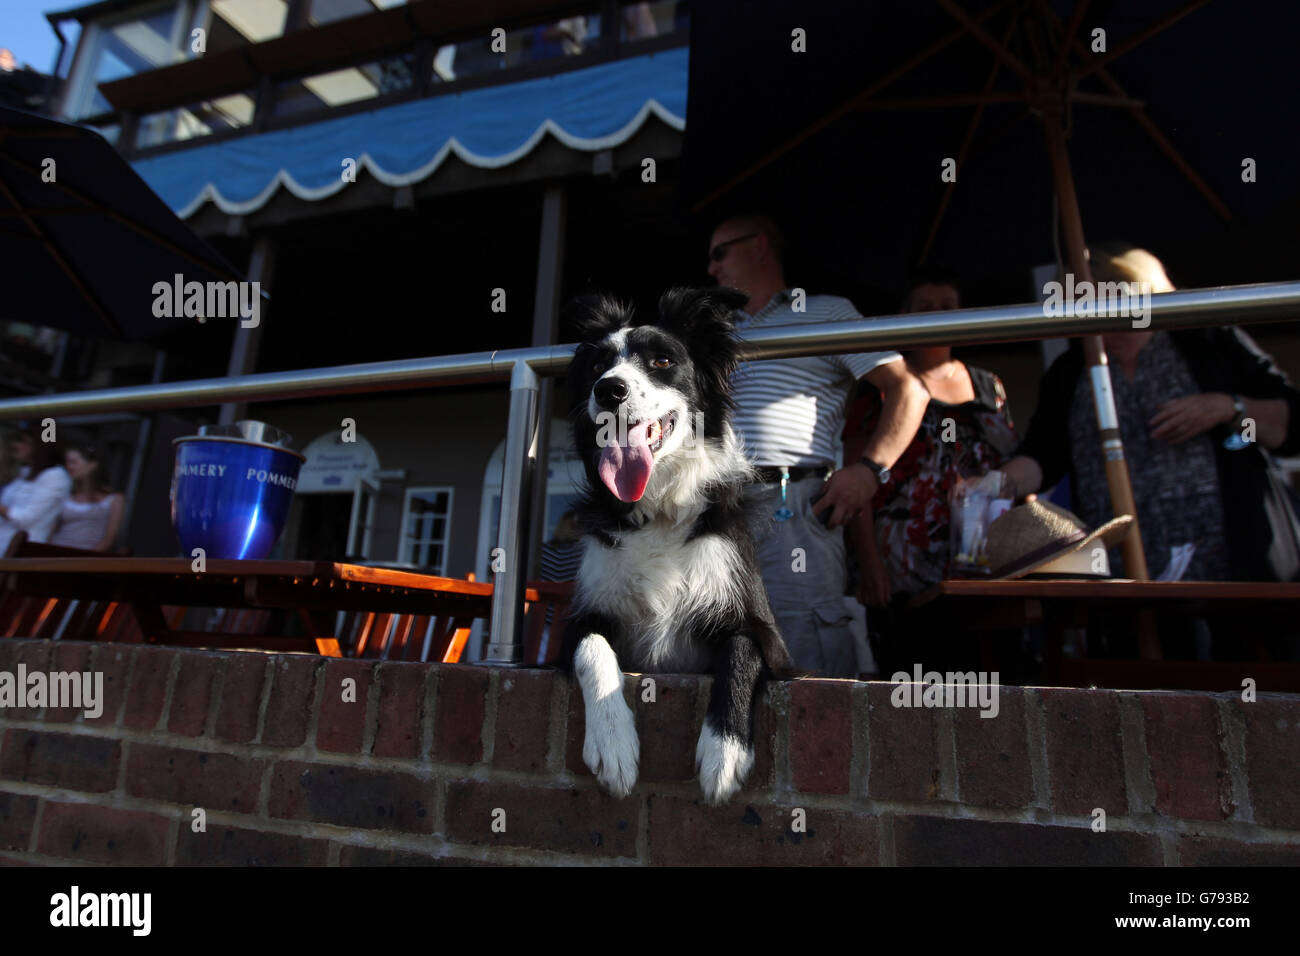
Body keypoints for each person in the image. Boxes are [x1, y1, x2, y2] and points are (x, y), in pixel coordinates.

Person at [1001, 243, 1300, 588]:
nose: (1108, 326)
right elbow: (1043, 455)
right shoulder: (1070, 373)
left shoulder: (1206, 340)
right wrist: (997, 485)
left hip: (1229, 565)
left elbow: (1289, 421)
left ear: (1144, 295)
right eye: (1089, 313)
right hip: (1120, 573)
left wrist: (1227, 408)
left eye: (1117, 308)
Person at [707, 214, 930, 676]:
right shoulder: (713, 330)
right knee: (721, 659)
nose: (711, 269)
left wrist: (870, 470)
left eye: (719, 252)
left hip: (793, 506)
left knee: (807, 668)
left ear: (760, 245)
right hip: (715, 510)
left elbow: (909, 390)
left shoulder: (826, 311)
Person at [842, 269, 1018, 671]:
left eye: (947, 308)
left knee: (985, 667)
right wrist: (869, 564)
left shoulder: (989, 386)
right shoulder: (883, 388)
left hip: (979, 552)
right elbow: (856, 474)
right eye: (926, 308)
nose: (938, 315)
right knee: (911, 669)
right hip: (900, 559)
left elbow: (1011, 466)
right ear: (905, 315)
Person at [0, 426, 71, 555]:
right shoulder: (25, 473)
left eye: (22, 441)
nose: (15, 445)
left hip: (20, 553)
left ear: (37, 445)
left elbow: (26, 518)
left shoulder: (55, 476)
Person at [51, 444, 125, 552]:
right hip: (55, 554)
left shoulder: (114, 499)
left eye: (74, 462)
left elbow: (110, 538)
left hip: (86, 559)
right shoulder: (67, 494)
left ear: (92, 465)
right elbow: (52, 530)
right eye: (67, 462)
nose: (69, 466)